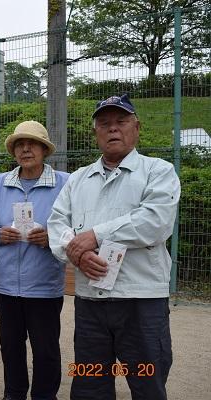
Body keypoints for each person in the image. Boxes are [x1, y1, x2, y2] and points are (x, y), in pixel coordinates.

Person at [47, 94, 180, 400]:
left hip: (141, 300)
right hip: (90, 301)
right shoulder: (78, 179)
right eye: (105, 124)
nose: (113, 129)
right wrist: (78, 253)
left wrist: (95, 235)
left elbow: (155, 221)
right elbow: (57, 226)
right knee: (89, 384)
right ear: (95, 133)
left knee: (147, 382)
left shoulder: (157, 171)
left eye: (121, 122)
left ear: (137, 127)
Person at [0, 121, 68, 400]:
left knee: (45, 349)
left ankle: (45, 396)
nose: (25, 149)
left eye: (32, 143)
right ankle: (14, 394)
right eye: (20, 144)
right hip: (6, 285)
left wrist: (51, 237)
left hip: (44, 285)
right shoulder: (2, 182)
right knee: (10, 347)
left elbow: (76, 228)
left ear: (45, 150)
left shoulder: (64, 183)